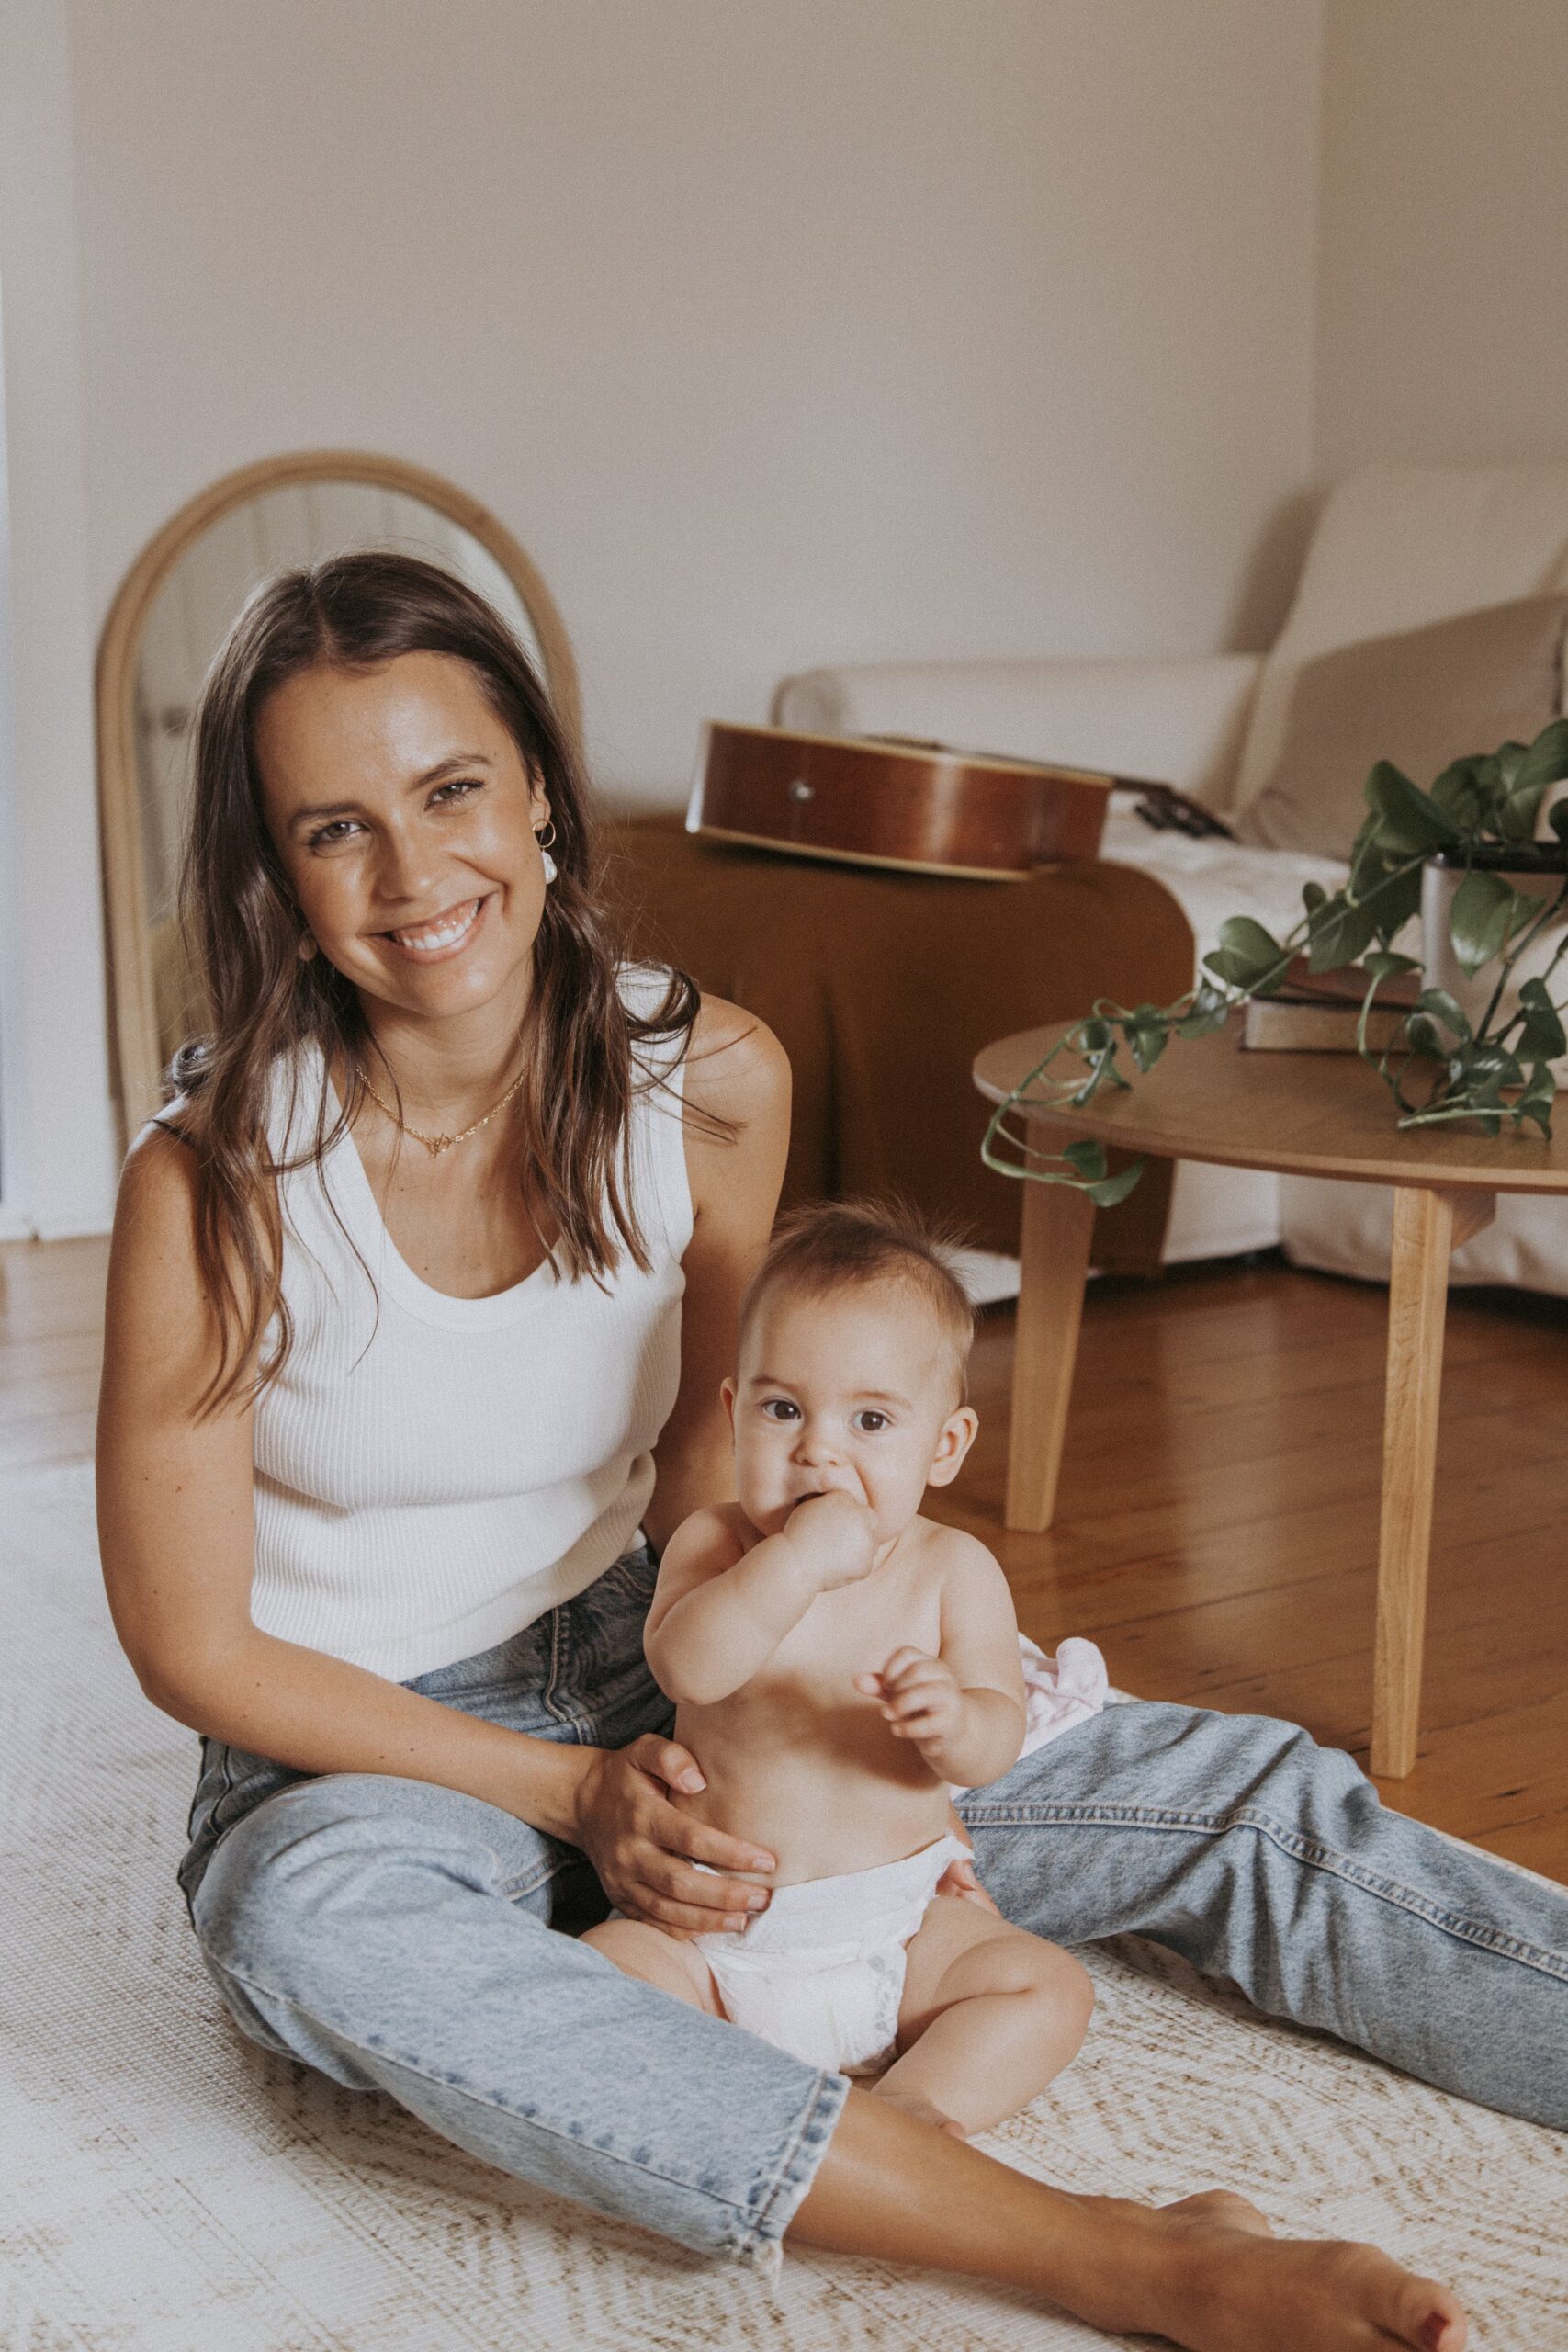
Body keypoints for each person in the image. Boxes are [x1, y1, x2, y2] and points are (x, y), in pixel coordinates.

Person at [94, 546, 1557, 2350]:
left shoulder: (708, 1079)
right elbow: (195, 1647)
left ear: (538, 788)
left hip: (664, 1656)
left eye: (451, 789)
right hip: (375, 1755)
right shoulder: (211, 1179)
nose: (412, 875)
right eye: (336, 829)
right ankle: (1134, 2260)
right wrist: (567, 1797)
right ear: (275, 869)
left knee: (1237, 1804)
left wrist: (832, 1702)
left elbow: (714, 1455)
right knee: (314, 1934)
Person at [585, 1199, 1095, 2138]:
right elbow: (689, 1669)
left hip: (894, 1928)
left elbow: (996, 1736)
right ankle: (728, 2104)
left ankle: (911, 2115)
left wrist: (955, 1721)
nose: (818, 1448)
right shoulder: (714, 1543)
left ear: (943, 1446)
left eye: (870, 1420)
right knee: (594, 1982)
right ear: (734, 1414)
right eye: (783, 1410)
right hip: (711, 1936)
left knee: (1047, 1987)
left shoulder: (952, 1569)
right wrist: (793, 1564)